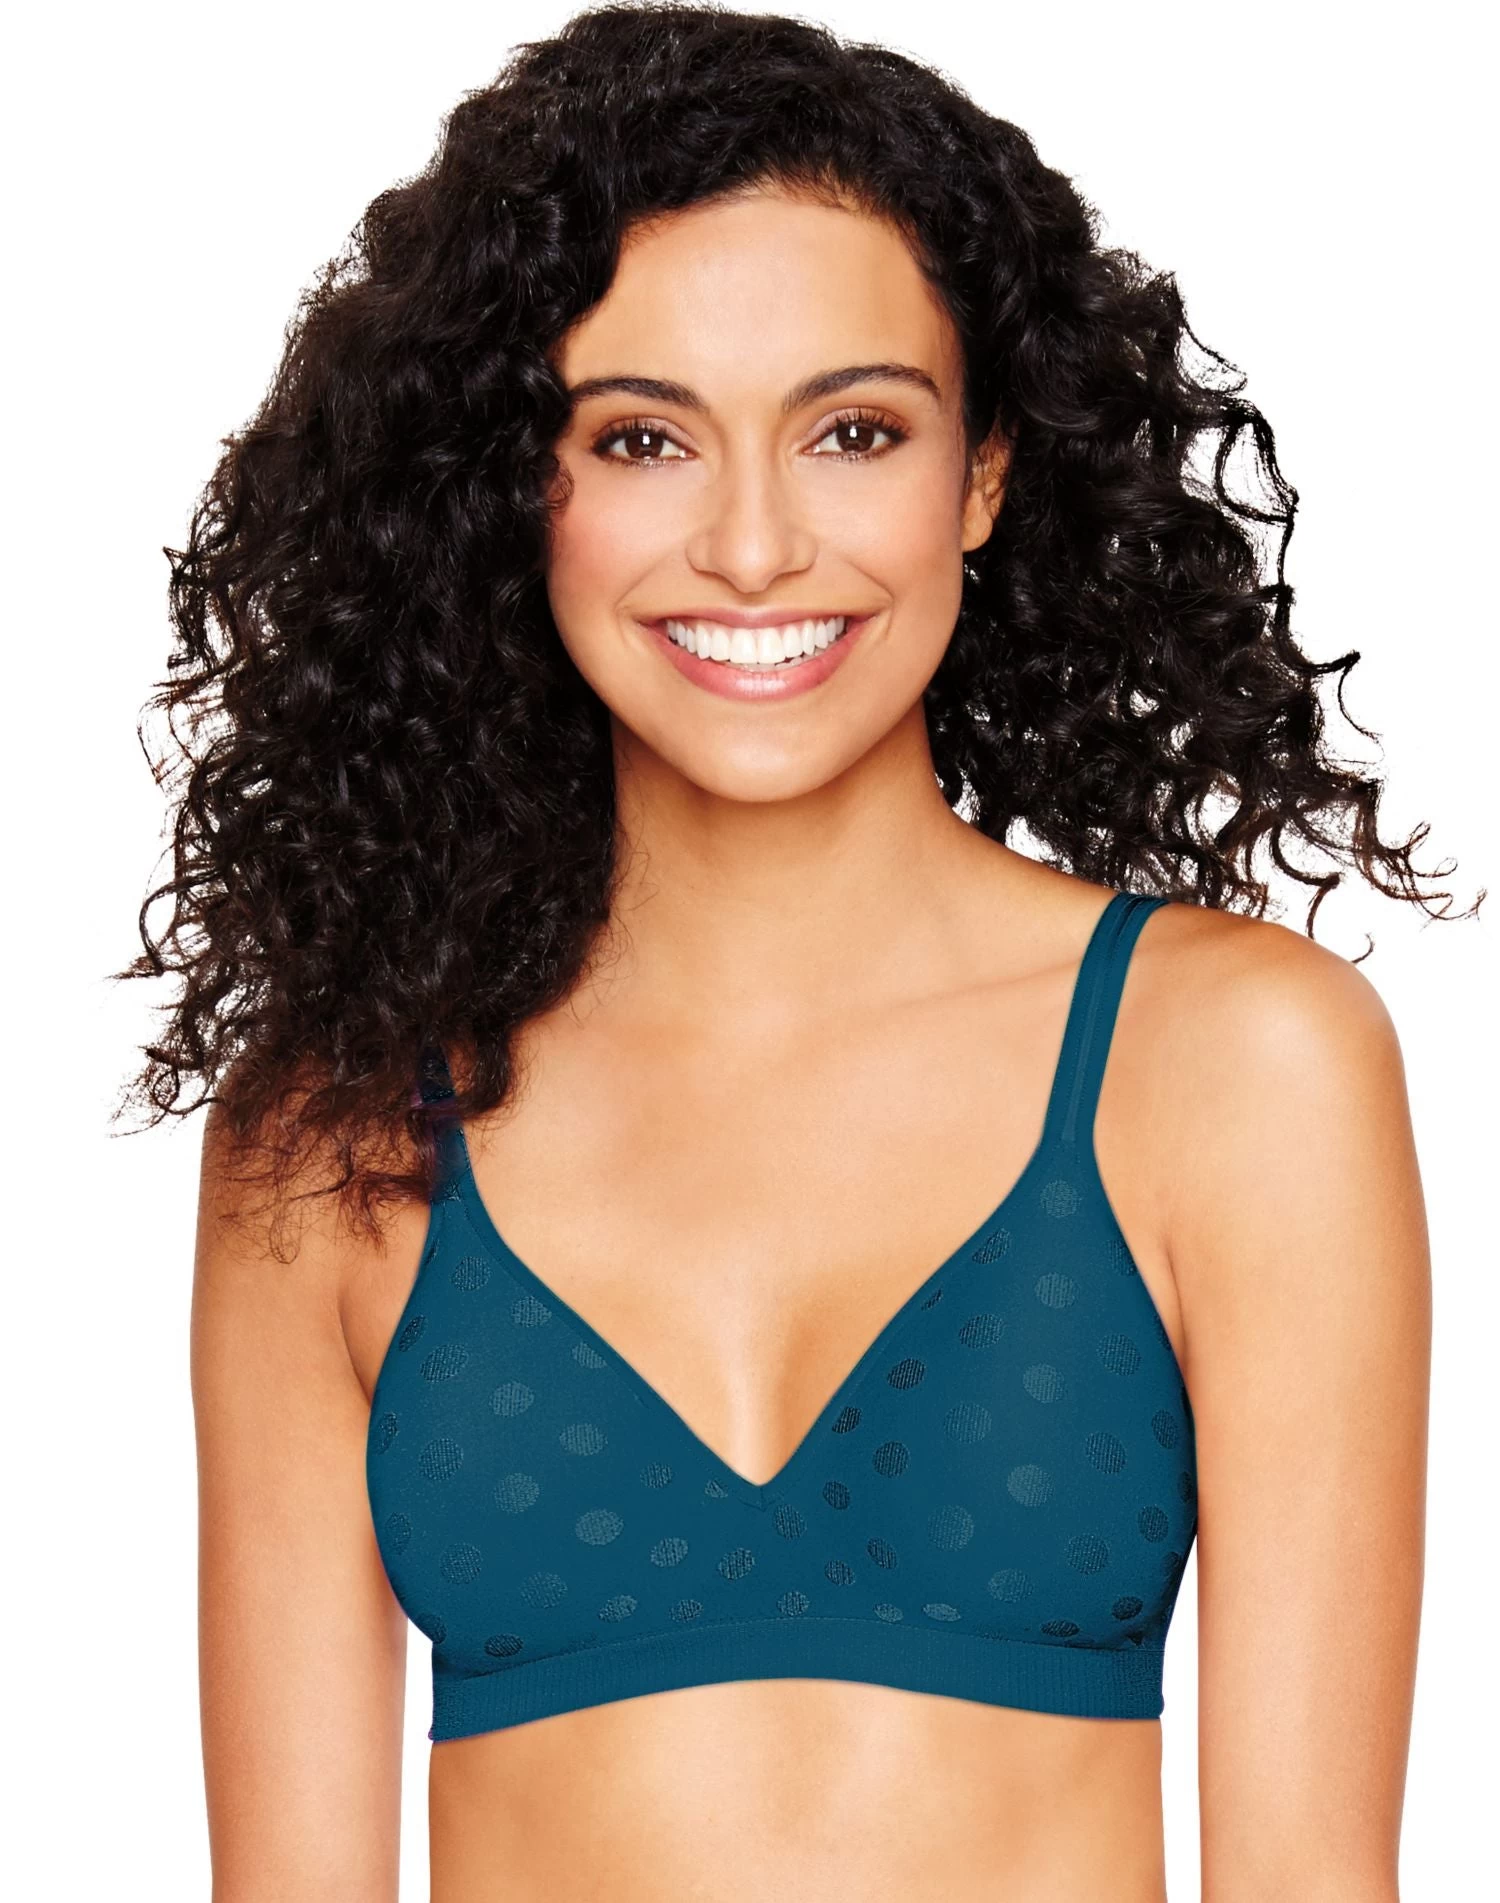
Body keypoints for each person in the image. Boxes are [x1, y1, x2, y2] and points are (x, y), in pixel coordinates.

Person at [120, 6, 1458, 1899]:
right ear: (512, 488)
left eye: (853, 431)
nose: (753, 548)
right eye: (643, 438)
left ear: (983, 472)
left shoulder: (1236, 1061)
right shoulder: (330, 1134)